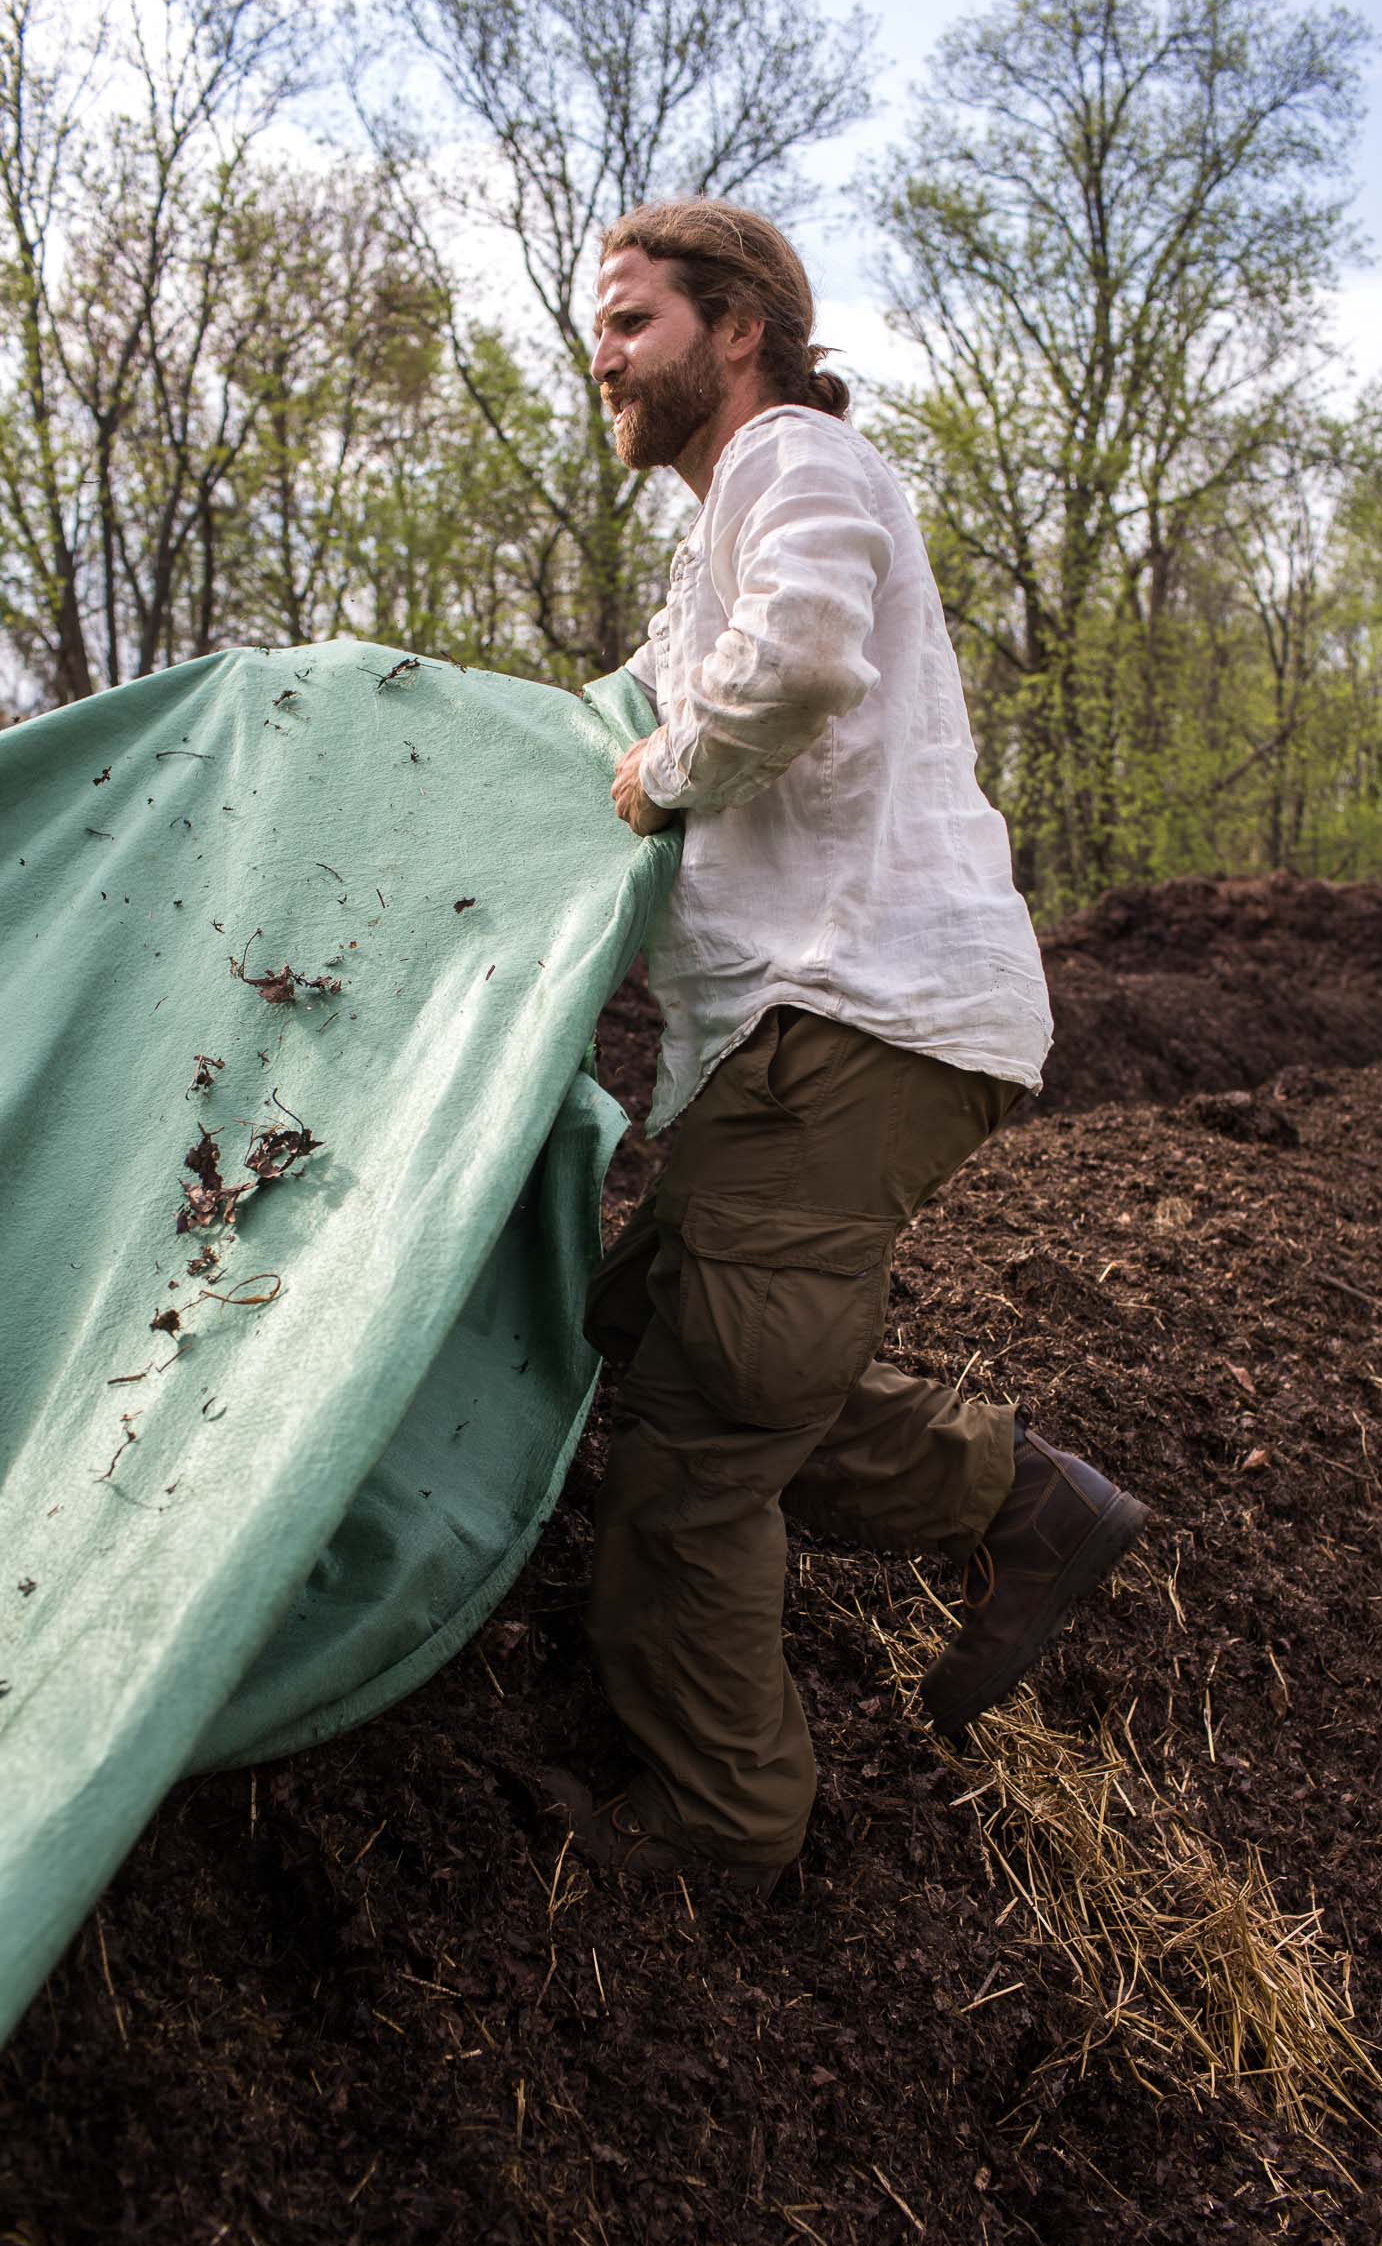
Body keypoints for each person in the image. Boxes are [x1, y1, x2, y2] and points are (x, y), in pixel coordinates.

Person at [545, 200, 1147, 1893]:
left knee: (695, 1447)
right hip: (808, 1025)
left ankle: (727, 1827)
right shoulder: (725, 519)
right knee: (668, 1321)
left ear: (738, 329)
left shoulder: (790, 459)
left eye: (634, 320)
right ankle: (1021, 1504)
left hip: (856, 1014)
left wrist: (662, 777)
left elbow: (794, 658)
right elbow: (643, 704)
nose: (603, 354)